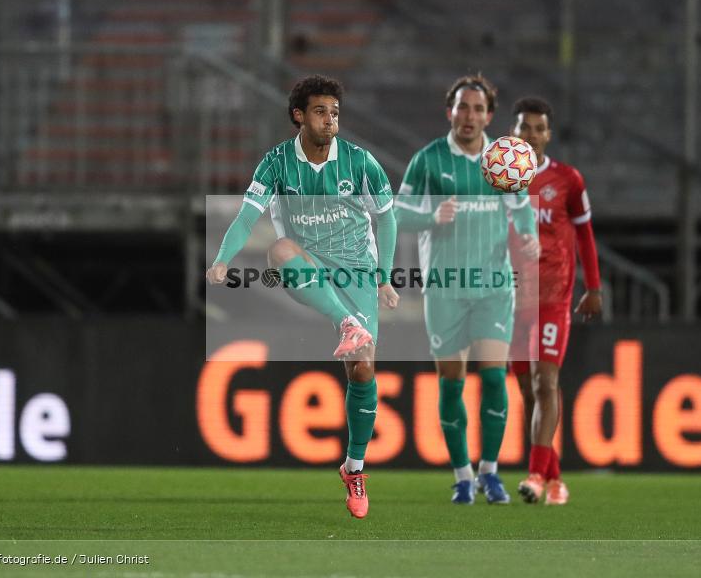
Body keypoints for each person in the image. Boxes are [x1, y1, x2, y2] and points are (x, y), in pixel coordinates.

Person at [206, 75, 400, 519]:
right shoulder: (276, 163)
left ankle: (354, 467)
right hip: (305, 263)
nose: (330, 119)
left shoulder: (360, 162)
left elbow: (387, 219)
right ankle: (345, 323)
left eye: (334, 112)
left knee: (364, 368)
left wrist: (384, 277)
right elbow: (246, 216)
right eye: (319, 111)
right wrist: (221, 259)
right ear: (298, 115)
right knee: (279, 249)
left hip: (356, 269)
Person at [395, 74, 539, 505]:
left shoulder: (504, 158)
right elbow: (397, 214)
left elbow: (522, 208)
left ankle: (490, 472)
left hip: (494, 286)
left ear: (490, 115)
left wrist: (529, 235)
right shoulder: (428, 159)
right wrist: (431, 216)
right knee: (451, 385)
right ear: (450, 111)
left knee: (495, 377)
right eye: (462, 107)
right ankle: (462, 476)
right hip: (445, 287)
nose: (469, 116)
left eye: (478, 109)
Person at [507, 96, 602, 506]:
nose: (530, 134)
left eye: (537, 128)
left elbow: (584, 233)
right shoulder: (501, 178)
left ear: (548, 134)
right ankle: (555, 477)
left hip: (553, 295)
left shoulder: (568, 180)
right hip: (512, 298)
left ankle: (534, 475)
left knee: (547, 383)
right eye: (523, 127)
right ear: (514, 132)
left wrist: (593, 288)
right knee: (528, 392)